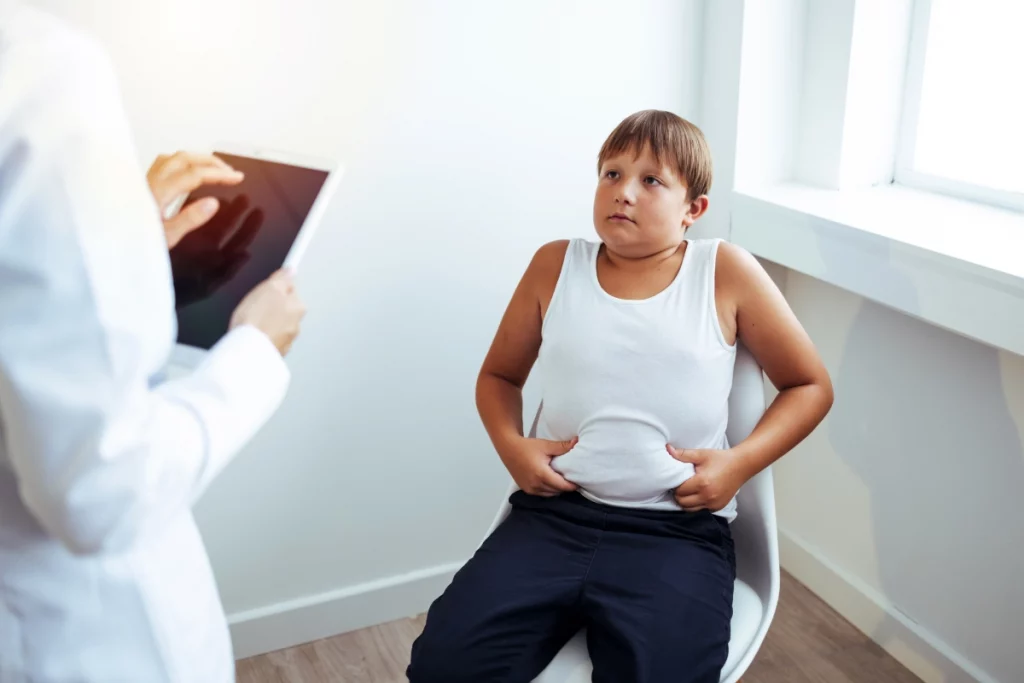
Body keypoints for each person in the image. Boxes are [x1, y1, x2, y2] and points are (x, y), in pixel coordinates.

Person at [407, 110, 834, 683]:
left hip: (676, 534)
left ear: (694, 208)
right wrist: (513, 447)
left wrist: (738, 464)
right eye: (611, 174)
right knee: (442, 666)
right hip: (553, 520)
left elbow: (809, 386)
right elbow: (499, 378)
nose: (623, 192)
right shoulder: (555, 265)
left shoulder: (723, 270)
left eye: (651, 180)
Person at [0, 5, 306, 682]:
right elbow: (100, 486)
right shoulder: (39, 72)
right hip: (74, 638)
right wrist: (254, 352)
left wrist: (112, 251)